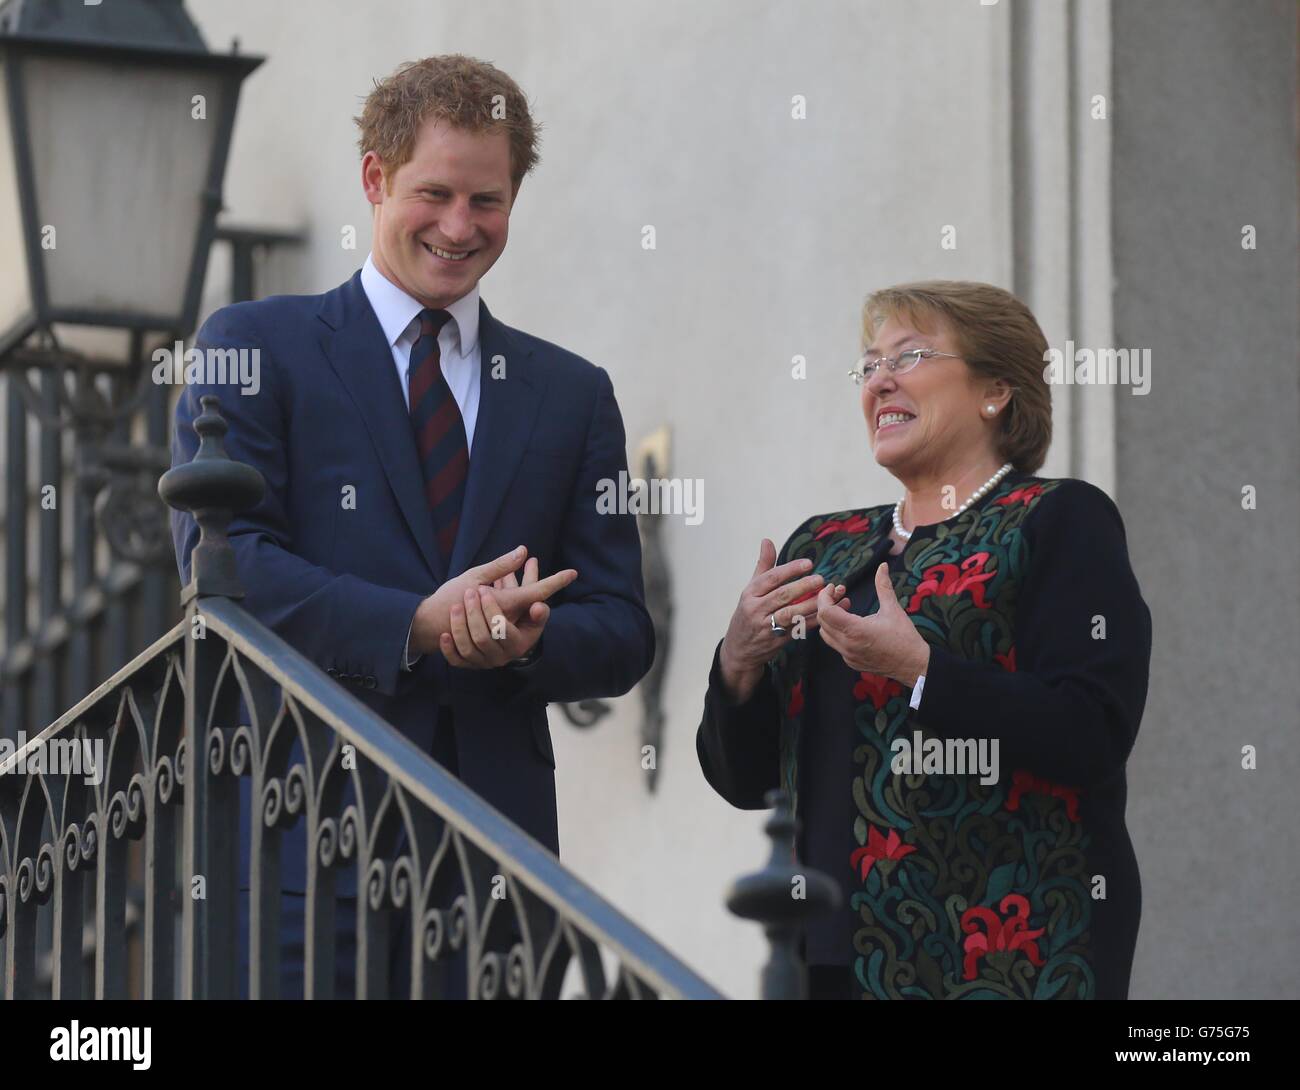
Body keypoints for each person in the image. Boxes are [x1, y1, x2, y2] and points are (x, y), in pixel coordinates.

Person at [170, 54, 653, 997]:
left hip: (494, 867)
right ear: (374, 179)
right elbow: (225, 571)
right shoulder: (253, 345)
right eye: (434, 193)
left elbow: (624, 628)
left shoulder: (571, 395)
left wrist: (521, 640)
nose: (459, 227)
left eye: (489, 201)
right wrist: (418, 625)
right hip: (297, 839)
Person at [697, 280, 1152, 1000]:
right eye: (869, 364)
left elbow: (1092, 731)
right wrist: (739, 660)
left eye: (908, 356)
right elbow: (749, 781)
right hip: (830, 959)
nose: (880, 380)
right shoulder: (825, 544)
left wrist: (919, 669)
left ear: (995, 391)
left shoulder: (1058, 520)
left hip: (1007, 953)